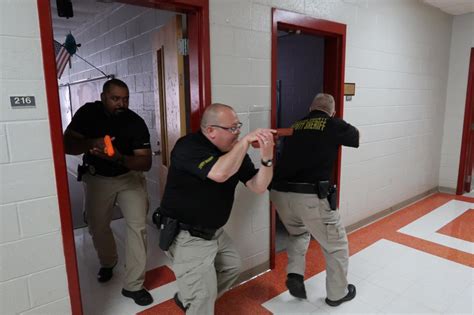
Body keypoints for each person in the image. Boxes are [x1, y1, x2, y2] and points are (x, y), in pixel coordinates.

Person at [156, 103, 275, 314]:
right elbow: (219, 173)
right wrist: (246, 141)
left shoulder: (234, 152)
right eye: (232, 128)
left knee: (232, 267)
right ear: (210, 131)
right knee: (202, 298)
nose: (237, 132)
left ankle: (189, 298)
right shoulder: (188, 147)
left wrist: (267, 159)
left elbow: (258, 186)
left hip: (214, 232)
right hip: (186, 235)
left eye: (238, 126)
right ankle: (197, 301)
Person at [63, 79, 153, 306]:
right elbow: (66, 145)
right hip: (97, 179)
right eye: (115, 98)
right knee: (97, 225)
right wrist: (90, 143)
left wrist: (119, 157)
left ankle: (134, 285)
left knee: (137, 227)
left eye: (125, 99)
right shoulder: (88, 113)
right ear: (103, 97)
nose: (121, 103)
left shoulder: (135, 122)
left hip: (128, 178)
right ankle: (108, 262)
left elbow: (146, 162)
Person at [270, 93, 359, 307]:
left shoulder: (297, 124)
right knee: (336, 246)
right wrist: (336, 123)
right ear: (333, 111)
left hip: (279, 194)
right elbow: (355, 137)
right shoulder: (333, 124)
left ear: (310, 108)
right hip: (309, 197)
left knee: (299, 233)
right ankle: (337, 294)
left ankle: (295, 274)